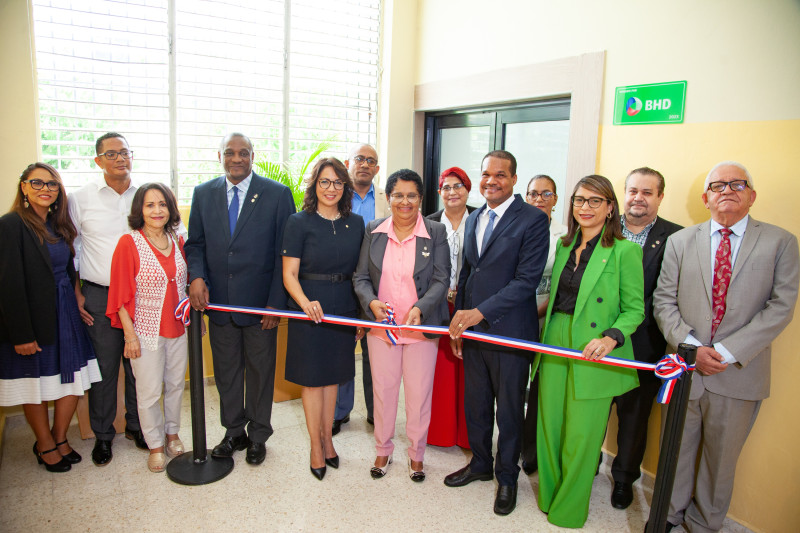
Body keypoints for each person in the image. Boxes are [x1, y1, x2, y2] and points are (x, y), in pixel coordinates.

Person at [653, 161, 799, 533]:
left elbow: (781, 307)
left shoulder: (781, 242)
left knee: (721, 462)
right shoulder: (681, 241)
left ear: (752, 195)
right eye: (718, 185)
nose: (727, 190)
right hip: (686, 370)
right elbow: (663, 301)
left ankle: (704, 524)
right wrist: (691, 348)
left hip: (739, 373)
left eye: (738, 184)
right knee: (676, 451)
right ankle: (668, 514)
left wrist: (728, 353)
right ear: (706, 198)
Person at [534, 174, 644, 528]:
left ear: (611, 207)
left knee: (582, 434)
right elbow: (557, 299)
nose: (585, 207)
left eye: (595, 201)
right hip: (555, 339)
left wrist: (611, 338)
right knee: (549, 425)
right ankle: (549, 495)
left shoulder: (626, 251)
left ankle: (569, 509)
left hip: (595, 348)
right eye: (579, 200)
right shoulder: (565, 245)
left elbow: (635, 310)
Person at [444, 150, 549, 516]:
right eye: (487, 174)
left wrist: (478, 313)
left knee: (508, 411)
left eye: (500, 175)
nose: (492, 181)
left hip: (511, 334)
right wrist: (459, 322)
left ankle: (507, 478)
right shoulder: (474, 218)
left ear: (514, 179)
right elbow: (467, 274)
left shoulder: (533, 220)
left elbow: (526, 282)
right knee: (476, 403)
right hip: (473, 333)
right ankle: (480, 464)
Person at [185, 132, 295, 466]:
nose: (237, 159)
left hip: (262, 304)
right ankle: (234, 431)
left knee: (261, 372)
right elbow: (196, 244)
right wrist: (197, 277)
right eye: (230, 153)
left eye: (243, 153)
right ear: (219, 156)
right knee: (227, 372)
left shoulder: (277, 195)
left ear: (252, 156)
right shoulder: (204, 194)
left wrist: (276, 303)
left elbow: (285, 252)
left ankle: (259, 435)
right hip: (219, 304)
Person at [0, 163, 101, 472]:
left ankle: (59, 438)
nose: (45, 189)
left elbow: (69, 269)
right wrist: (21, 335)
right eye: (37, 183)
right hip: (32, 319)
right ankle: (44, 443)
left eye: (52, 184)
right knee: (35, 383)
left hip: (66, 313)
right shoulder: (11, 225)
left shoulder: (59, 225)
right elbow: (8, 283)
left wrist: (77, 296)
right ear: (24, 188)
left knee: (72, 380)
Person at [353, 169, 450, 482]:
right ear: (388, 197)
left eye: (411, 195)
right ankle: (383, 447)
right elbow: (361, 277)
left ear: (420, 199)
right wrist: (370, 303)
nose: (404, 201)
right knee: (383, 391)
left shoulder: (435, 232)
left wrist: (421, 307)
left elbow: (441, 278)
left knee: (419, 394)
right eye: (398, 195)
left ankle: (417, 454)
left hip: (420, 330)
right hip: (382, 329)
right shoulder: (373, 230)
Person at [281, 158, 365, 480]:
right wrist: (304, 304)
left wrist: (359, 314)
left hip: (343, 307)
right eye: (325, 182)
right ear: (314, 185)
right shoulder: (298, 222)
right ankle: (315, 446)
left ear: (345, 187)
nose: (331, 189)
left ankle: (328, 439)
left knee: (333, 377)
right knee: (313, 379)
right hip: (309, 308)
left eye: (337, 183)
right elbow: (289, 274)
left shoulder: (355, 223)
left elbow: (360, 274)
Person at [70, 132, 148, 466]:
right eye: (111, 153)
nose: (120, 159)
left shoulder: (146, 196)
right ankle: (103, 436)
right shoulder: (80, 199)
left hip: (141, 296)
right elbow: (71, 247)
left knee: (139, 366)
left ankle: (138, 426)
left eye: (125, 152)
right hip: (99, 296)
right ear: (98, 160)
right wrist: (77, 290)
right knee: (104, 369)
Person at [609, 167, 682, 509]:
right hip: (596, 339)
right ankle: (584, 465)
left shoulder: (677, 238)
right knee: (591, 408)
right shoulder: (603, 227)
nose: (638, 198)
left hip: (643, 344)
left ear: (660, 197)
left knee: (635, 420)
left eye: (647, 192)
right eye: (633, 190)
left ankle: (624, 479)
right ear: (624, 194)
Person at [106, 183, 188, 473]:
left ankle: (172, 434)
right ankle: (154, 445)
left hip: (179, 329)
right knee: (150, 392)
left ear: (170, 208)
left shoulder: (176, 239)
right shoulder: (129, 243)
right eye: (150, 205)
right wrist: (130, 335)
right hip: (145, 331)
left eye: (162, 204)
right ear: (139, 209)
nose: (157, 210)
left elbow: (184, 287)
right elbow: (118, 295)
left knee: (177, 386)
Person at [333, 143, 388, 435]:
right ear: (348, 163)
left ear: (377, 169)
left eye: (371, 161)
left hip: (377, 287)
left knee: (374, 352)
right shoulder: (335, 194)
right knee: (342, 349)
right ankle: (340, 412)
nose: (365, 164)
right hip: (342, 282)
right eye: (359, 159)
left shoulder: (386, 199)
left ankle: (375, 412)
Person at [520, 173, 568, 475]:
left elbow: (564, 282)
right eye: (533, 193)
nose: (539, 199)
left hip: (548, 315)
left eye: (546, 194)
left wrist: (539, 310)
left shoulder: (565, 234)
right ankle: (519, 442)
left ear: (556, 199)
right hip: (518, 314)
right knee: (515, 383)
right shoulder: (517, 227)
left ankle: (535, 451)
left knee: (540, 386)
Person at [425, 166, 475, 449]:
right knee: (441, 371)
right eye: (447, 187)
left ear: (468, 190)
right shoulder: (428, 223)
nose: (453, 192)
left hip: (470, 305)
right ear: (439, 192)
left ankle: (468, 436)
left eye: (459, 186)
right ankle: (441, 433)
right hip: (438, 304)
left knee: (469, 372)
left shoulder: (480, 219)